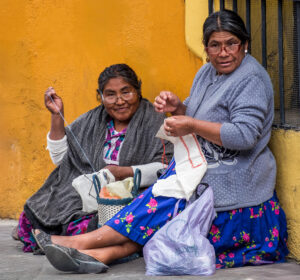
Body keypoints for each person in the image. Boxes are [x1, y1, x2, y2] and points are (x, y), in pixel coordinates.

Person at [34, 10, 288, 273]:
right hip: (203, 171)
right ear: (206, 48)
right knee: (160, 203)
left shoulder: (252, 79)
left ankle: (79, 243)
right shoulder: (207, 73)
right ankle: (99, 255)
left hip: (237, 184)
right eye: (215, 45)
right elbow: (197, 112)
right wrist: (178, 107)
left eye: (231, 44)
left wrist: (189, 124)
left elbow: (244, 135)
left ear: (245, 45)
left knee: (164, 201)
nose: (223, 52)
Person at [16, 64, 173, 253]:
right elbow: (62, 159)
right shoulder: (93, 120)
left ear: (137, 91)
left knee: (93, 226)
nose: (120, 101)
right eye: (110, 94)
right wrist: (57, 116)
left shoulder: (154, 120)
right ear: (100, 96)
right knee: (32, 214)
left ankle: (69, 242)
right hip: (86, 193)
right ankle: (56, 238)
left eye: (126, 92)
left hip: (129, 195)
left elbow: (166, 167)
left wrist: (122, 173)